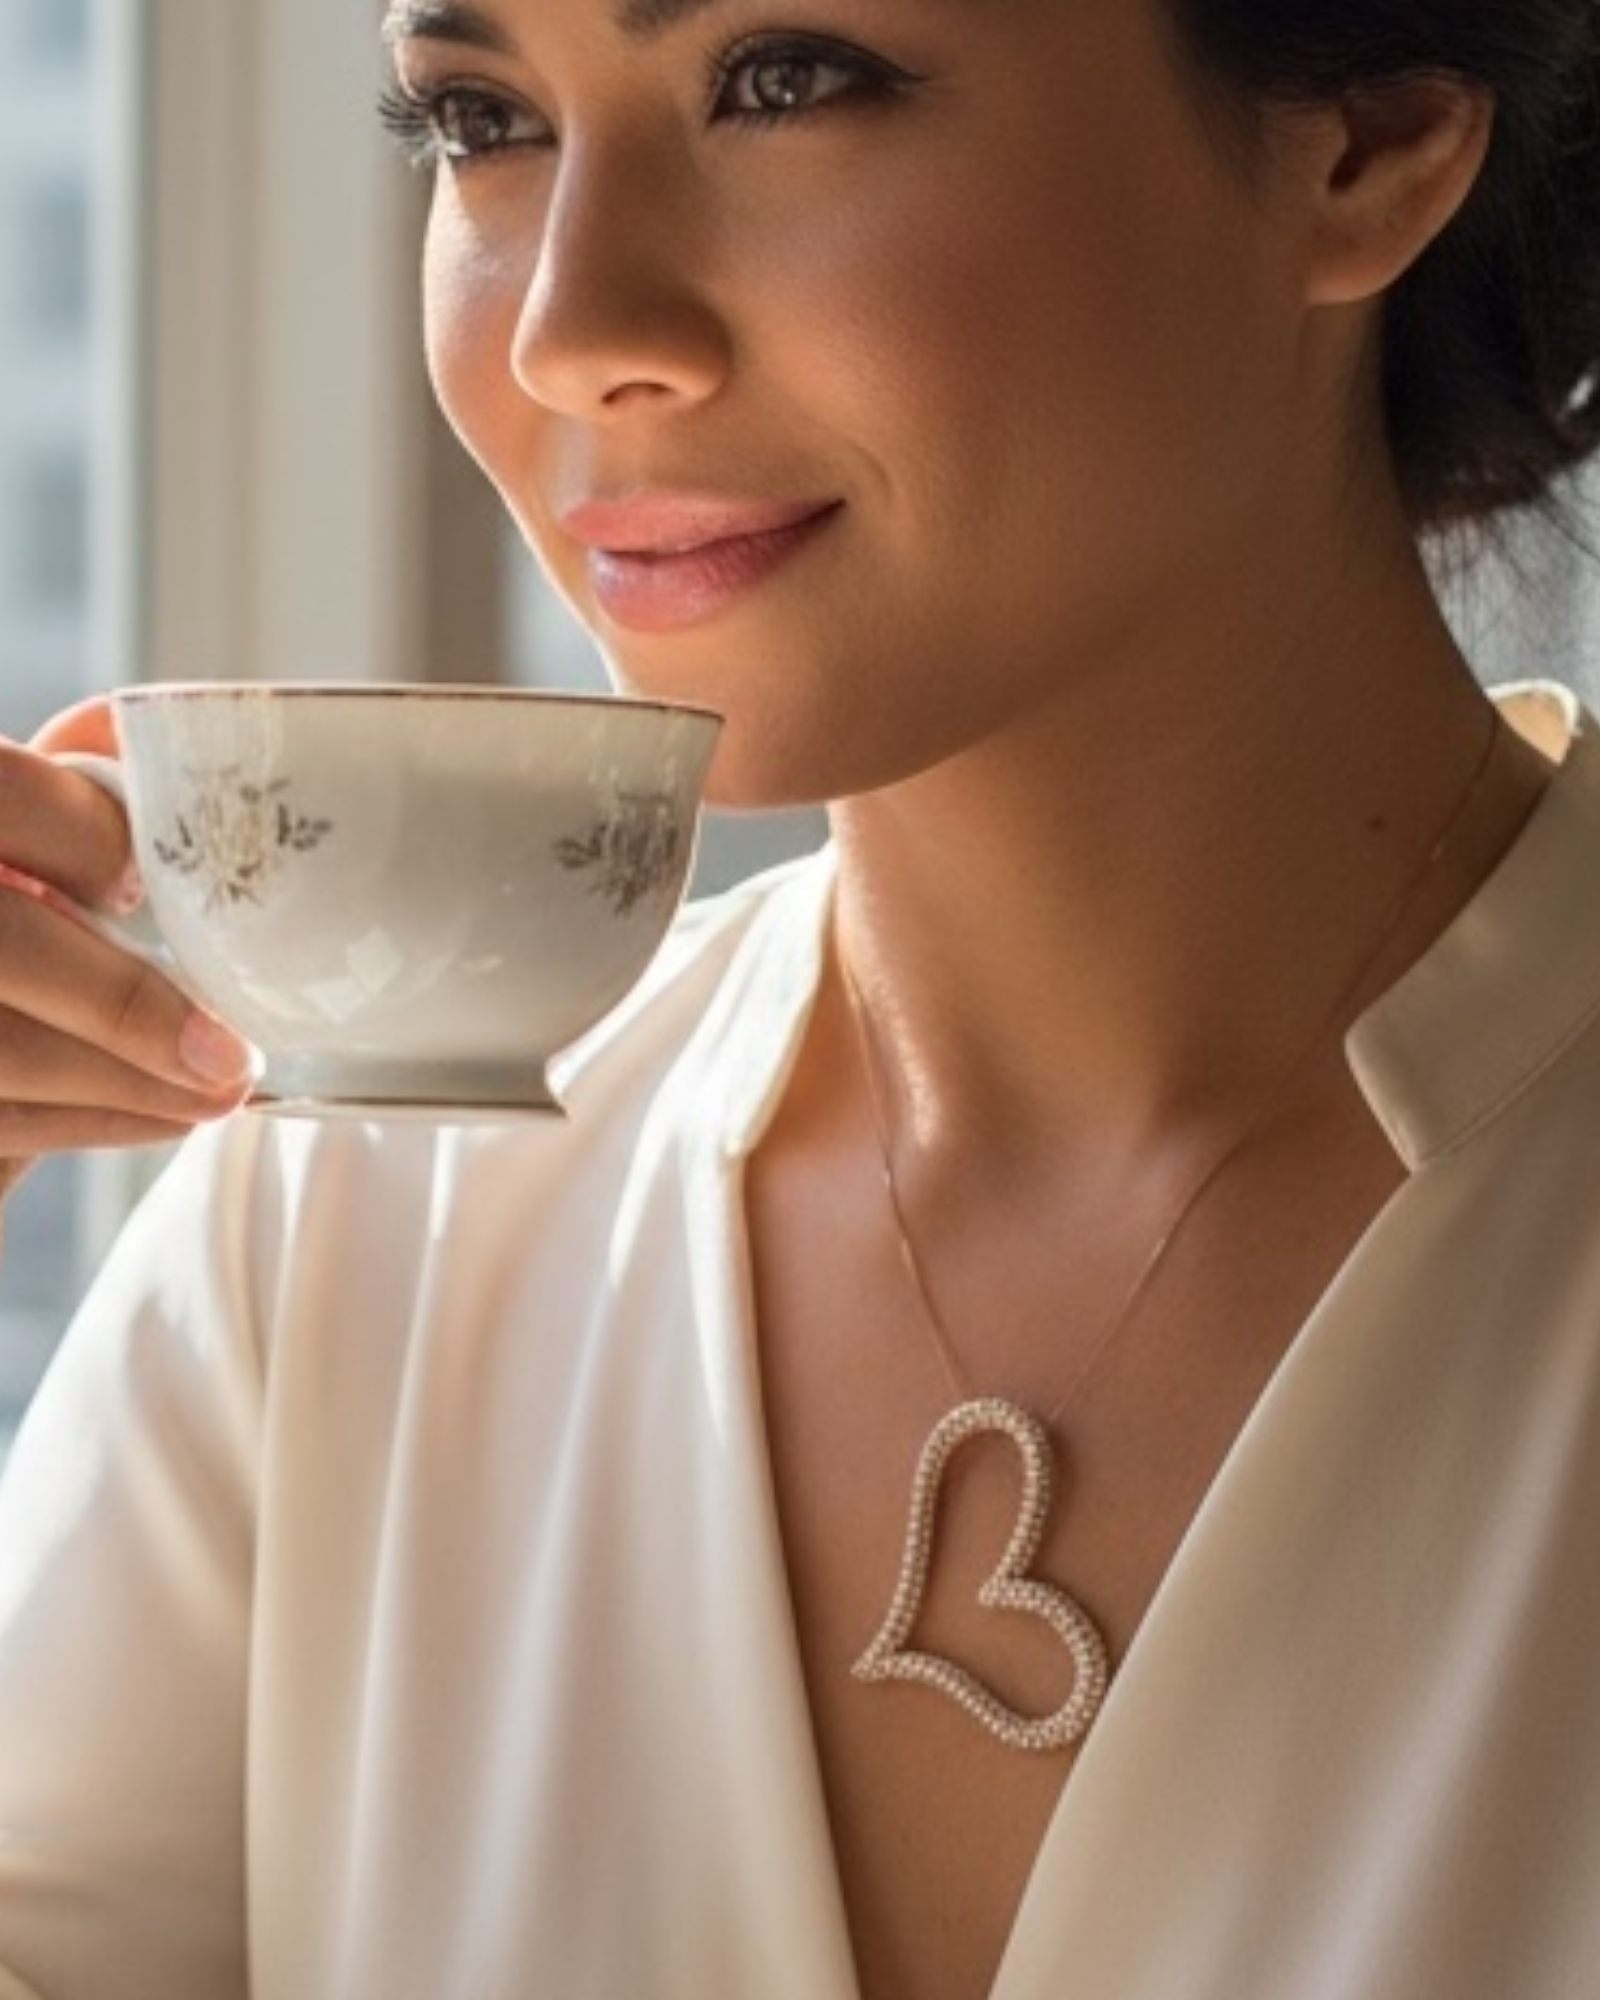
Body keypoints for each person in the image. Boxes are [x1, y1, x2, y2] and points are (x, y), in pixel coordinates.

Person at [2, 1, 1599, 1995]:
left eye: (781, 82)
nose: (567, 328)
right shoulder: (331, 1243)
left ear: (1362, 139)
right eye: (476, 120)